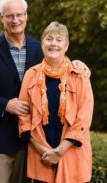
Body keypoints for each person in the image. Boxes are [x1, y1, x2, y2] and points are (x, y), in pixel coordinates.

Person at [0, 0, 90, 183]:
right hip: (1, 142)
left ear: (26, 16)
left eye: (19, 14)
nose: (15, 20)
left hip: (34, 145)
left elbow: (58, 62)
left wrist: (78, 63)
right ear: (2, 18)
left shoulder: (39, 47)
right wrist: (5, 104)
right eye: (9, 16)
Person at [18, 21, 93, 183]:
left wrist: (59, 152)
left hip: (72, 155)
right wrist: (44, 150)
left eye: (59, 40)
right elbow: (23, 117)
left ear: (66, 46)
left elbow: (83, 119)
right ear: (42, 43)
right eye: (49, 39)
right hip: (41, 157)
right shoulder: (31, 75)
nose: (53, 44)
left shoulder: (79, 75)